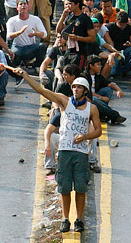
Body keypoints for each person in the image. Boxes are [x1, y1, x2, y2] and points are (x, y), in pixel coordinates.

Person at [17, 68, 101, 234]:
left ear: (85, 91)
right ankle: (65, 219)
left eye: (78, 87)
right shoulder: (64, 101)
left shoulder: (92, 109)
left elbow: (98, 131)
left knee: (81, 188)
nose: (75, 90)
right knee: (64, 188)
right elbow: (41, 90)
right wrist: (25, 76)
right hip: (64, 150)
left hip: (81, 152)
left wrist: (85, 136)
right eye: (74, 87)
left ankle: (79, 219)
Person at [6, 0, 47, 71]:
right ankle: (19, 65)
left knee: (42, 46)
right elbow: (8, 37)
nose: (23, 6)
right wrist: (19, 32)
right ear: (17, 7)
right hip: (18, 47)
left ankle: (38, 66)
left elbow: (44, 34)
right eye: (20, 4)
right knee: (14, 54)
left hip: (31, 47)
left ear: (28, 7)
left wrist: (36, 34)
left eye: (25, 4)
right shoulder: (12, 20)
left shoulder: (35, 19)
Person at [56, 0, 96, 70]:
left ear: (77, 4)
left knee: (77, 73)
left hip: (81, 52)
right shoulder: (69, 16)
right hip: (69, 51)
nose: (68, 6)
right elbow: (59, 30)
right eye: (67, 4)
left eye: (70, 4)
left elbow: (92, 38)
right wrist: (63, 16)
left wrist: (77, 38)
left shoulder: (85, 19)